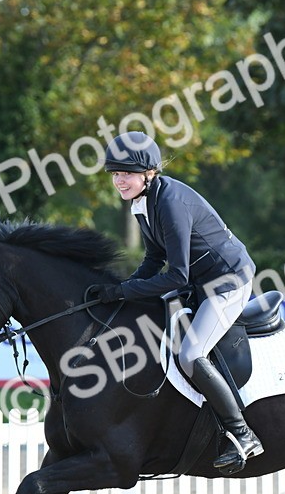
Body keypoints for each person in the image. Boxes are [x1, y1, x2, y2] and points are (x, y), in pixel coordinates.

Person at [95, 131, 263, 474]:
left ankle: (243, 434)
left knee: (190, 354)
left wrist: (125, 292)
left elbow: (177, 276)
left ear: (148, 173)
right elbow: (154, 258)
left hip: (228, 281)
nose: (119, 181)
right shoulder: (143, 202)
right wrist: (122, 288)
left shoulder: (170, 203)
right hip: (201, 281)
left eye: (126, 173)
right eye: (115, 174)